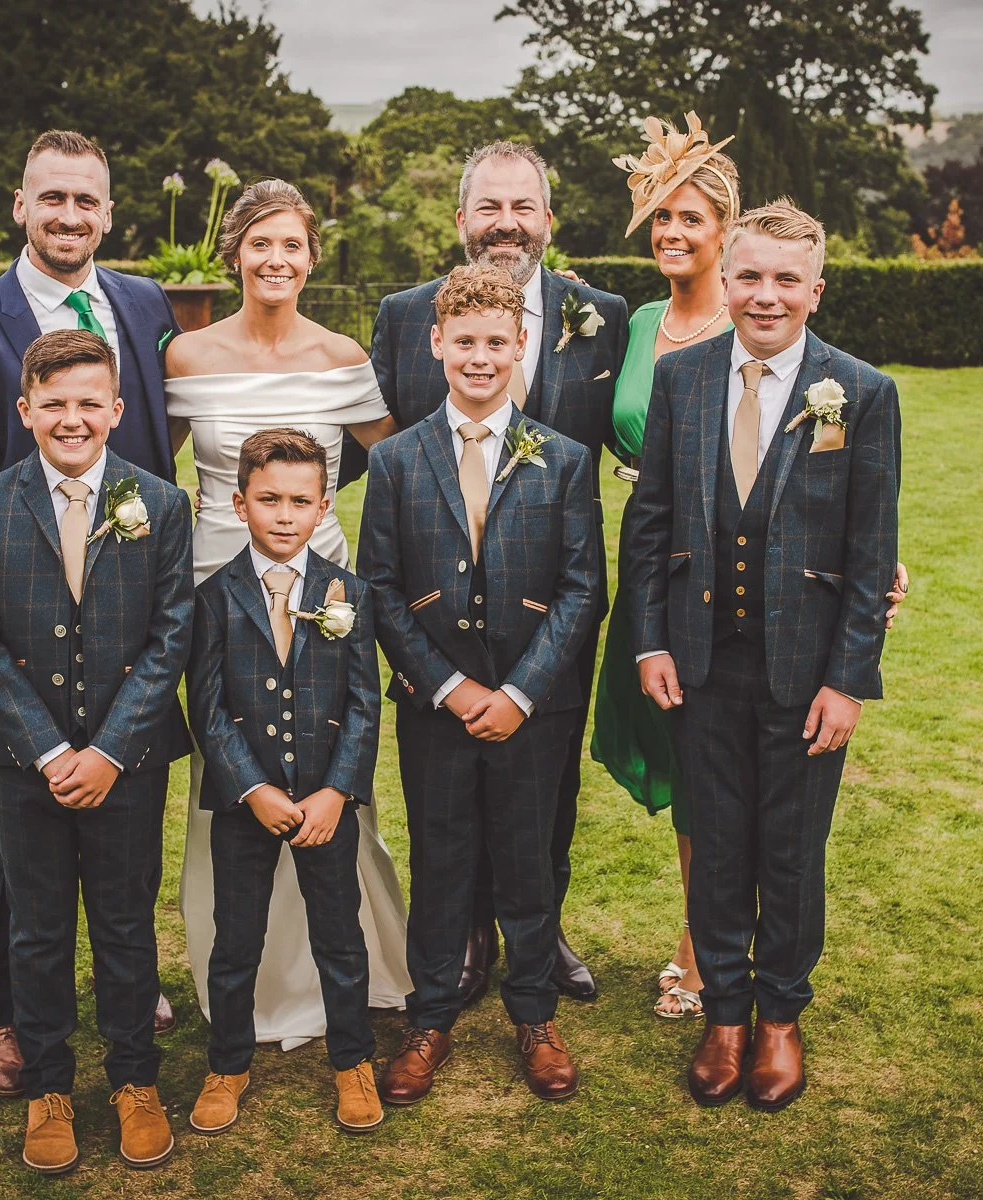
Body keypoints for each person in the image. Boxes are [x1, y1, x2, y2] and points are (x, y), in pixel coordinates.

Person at [593, 115, 909, 1019]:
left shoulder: (862, 392)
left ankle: (779, 1017)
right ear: (728, 280)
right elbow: (651, 520)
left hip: (804, 665)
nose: (766, 296)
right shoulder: (682, 375)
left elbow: (869, 547)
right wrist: (650, 640)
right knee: (718, 837)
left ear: (816, 290)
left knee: (792, 850)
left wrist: (849, 678)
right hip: (697, 653)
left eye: (786, 281)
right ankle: (724, 1011)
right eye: (751, 278)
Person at [0, 129, 179, 1097]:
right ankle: (3, 1008)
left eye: (86, 200)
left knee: (128, 811)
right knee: (9, 814)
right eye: (52, 198)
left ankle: (125, 980)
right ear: (21, 207)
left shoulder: (144, 305)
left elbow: (158, 446)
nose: (69, 216)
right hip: (28, 616)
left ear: (108, 213)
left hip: (133, 601)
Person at [349, 141, 628, 1007]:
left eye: (523, 208)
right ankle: (468, 931)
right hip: (441, 610)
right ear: (461, 218)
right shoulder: (405, 315)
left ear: (548, 218)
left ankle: (539, 926)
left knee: (549, 786)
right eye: (489, 208)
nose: (506, 224)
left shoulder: (604, 314)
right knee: (446, 797)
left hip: (553, 609)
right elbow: (377, 442)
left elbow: (644, 433)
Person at [164, 179, 411, 1050]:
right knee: (231, 773)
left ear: (311, 258)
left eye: (292, 246)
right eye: (260, 244)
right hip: (215, 590)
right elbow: (152, 476)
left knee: (329, 764)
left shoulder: (340, 356)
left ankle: (345, 969)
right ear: (234, 254)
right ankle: (246, 982)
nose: (276, 260)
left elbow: (402, 462)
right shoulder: (185, 357)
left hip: (322, 592)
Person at [0, 329, 193, 1172]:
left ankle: (134, 1080)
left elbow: (171, 637)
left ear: (117, 410)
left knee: (125, 923)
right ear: (25, 411)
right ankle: (50, 1087)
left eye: (90, 402)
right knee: (39, 930)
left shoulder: (160, 504)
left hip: (130, 762)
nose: (72, 418)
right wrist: (52, 750)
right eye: (53, 403)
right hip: (24, 763)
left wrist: (110, 750)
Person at [360, 265, 602, 1106]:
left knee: (528, 862)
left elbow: (582, 590)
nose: (480, 357)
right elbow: (380, 587)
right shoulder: (396, 460)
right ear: (437, 344)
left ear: (521, 345)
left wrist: (519, 693)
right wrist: (450, 688)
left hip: (535, 709)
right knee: (442, 860)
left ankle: (534, 1015)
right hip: (436, 709)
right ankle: (429, 1018)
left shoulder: (563, 459)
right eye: (465, 341)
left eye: (497, 342)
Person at [186, 429, 386, 1137]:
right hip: (247, 806)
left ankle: (352, 1060)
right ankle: (227, 1063)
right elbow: (206, 707)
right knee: (235, 940)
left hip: (326, 801)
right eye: (269, 499)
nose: (284, 514)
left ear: (323, 506)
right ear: (239, 503)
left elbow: (364, 702)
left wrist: (337, 791)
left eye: (300, 501)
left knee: (340, 937)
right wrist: (251, 788)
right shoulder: (213, 597)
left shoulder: (348, 593)